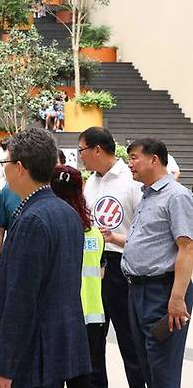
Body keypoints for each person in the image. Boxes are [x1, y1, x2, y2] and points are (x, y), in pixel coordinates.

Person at [0, 127, 91, 387]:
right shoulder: (66, 212)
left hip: (30, 353)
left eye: (5, 162)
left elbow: (20, 299)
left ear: (20, 167)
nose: (3, 169)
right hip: (55, 346)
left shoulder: (33, 219)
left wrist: (3, 365)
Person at [78, 127, 146, 388]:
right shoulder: (91, 182)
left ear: (97, 149)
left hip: (122, 268)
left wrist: (115, 238)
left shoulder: (131, 181)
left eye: (82, 149)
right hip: (93, 268)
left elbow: (144, 233)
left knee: (130, 341)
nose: (81, 156)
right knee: (93, 338)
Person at [123, 138, 193, 387]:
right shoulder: (148, 195)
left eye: (134, 158)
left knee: (162, 372)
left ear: (154, 159)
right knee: (147, 366)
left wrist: (177, 299)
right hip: (137, 291)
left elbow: (187, 248)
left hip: (161, 292)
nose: (129, 164)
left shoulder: (176, 196)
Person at [51, 165, 106, 388]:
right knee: (84, 378)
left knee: (53, 375)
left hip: (59, 315)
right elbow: (101, 269)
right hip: (92, 316)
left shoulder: (50, 226)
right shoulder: (93, 231)